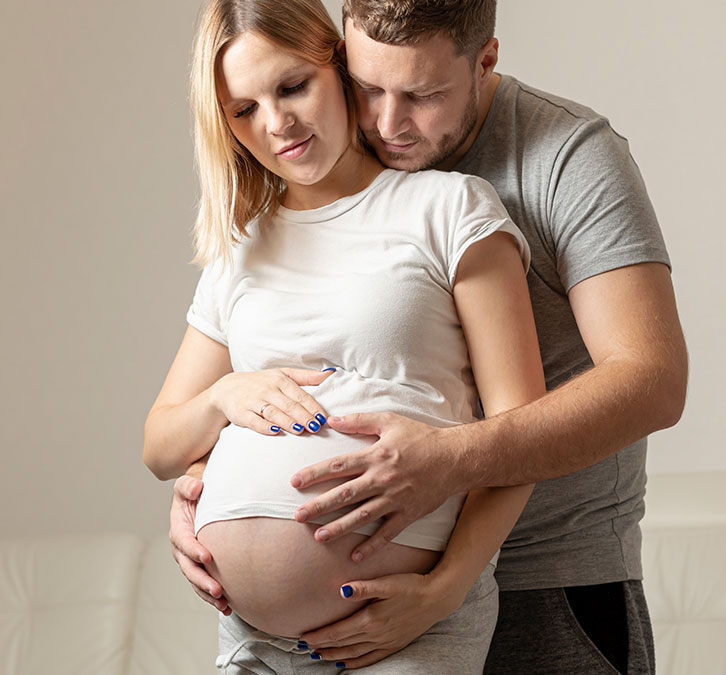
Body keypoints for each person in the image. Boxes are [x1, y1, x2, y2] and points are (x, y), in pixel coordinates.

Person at [167, 1, 688, 673]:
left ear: (485, 61)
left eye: (423, 95)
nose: (387, 124)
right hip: (322, 612)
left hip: (549, 579)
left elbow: (652, 381)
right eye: (367, 87)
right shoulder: (309, 184)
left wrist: (450, 491)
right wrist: (205, 485)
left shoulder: (567, 156)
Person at [144, 0, 547, 671]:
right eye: (244, 109)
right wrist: (224, 396)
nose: (277, 123)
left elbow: (523, 431)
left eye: (292, 86)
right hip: (250, 640)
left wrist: (446, 590)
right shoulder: (239, 251)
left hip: (403, 625)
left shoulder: (450, 208)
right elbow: (160, 445)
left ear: (338, 66)